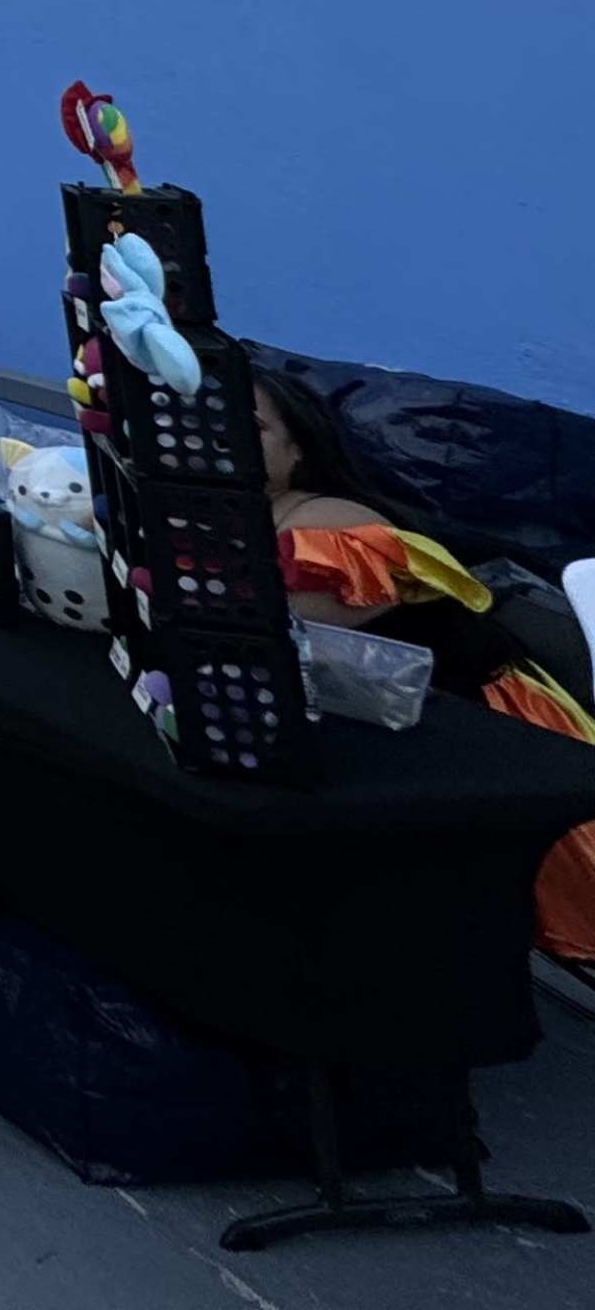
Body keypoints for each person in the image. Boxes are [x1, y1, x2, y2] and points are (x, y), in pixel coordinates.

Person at [252, 371, 595, 967]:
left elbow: (262, 629)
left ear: (296, 450)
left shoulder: (330, 523)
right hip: (400, 744)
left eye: (250, 426)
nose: (214, 435)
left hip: (494, 739)